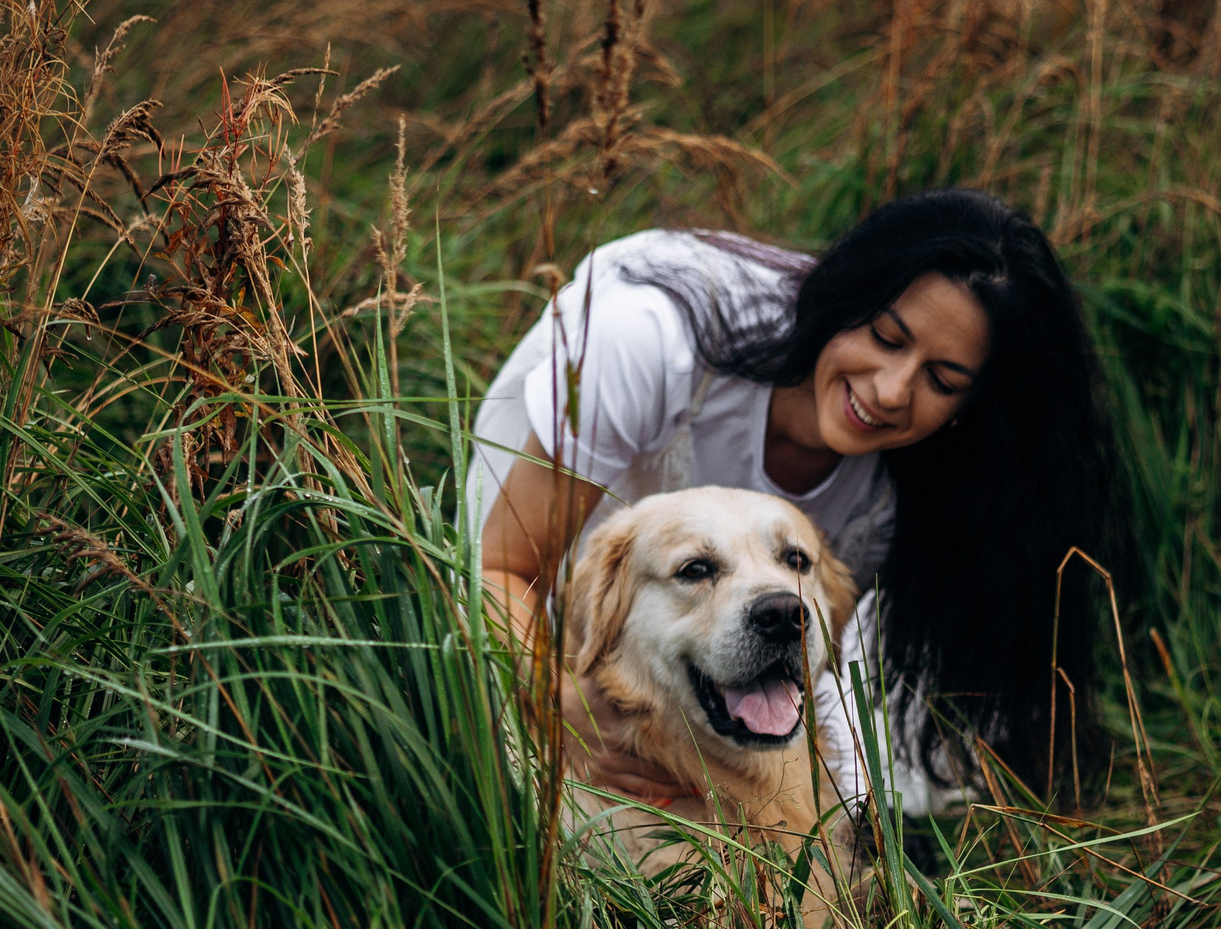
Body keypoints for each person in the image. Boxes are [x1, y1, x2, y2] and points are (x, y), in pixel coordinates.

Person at [469, 187, 1111, 815]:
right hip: (546, 560)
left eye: (941, 380)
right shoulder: (644, 339)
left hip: (728, 620)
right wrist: (562, 707)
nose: (891, 391)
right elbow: (504, 567)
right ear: (839, 300)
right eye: (886, 338)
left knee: (893, 778)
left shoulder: (926, 484)